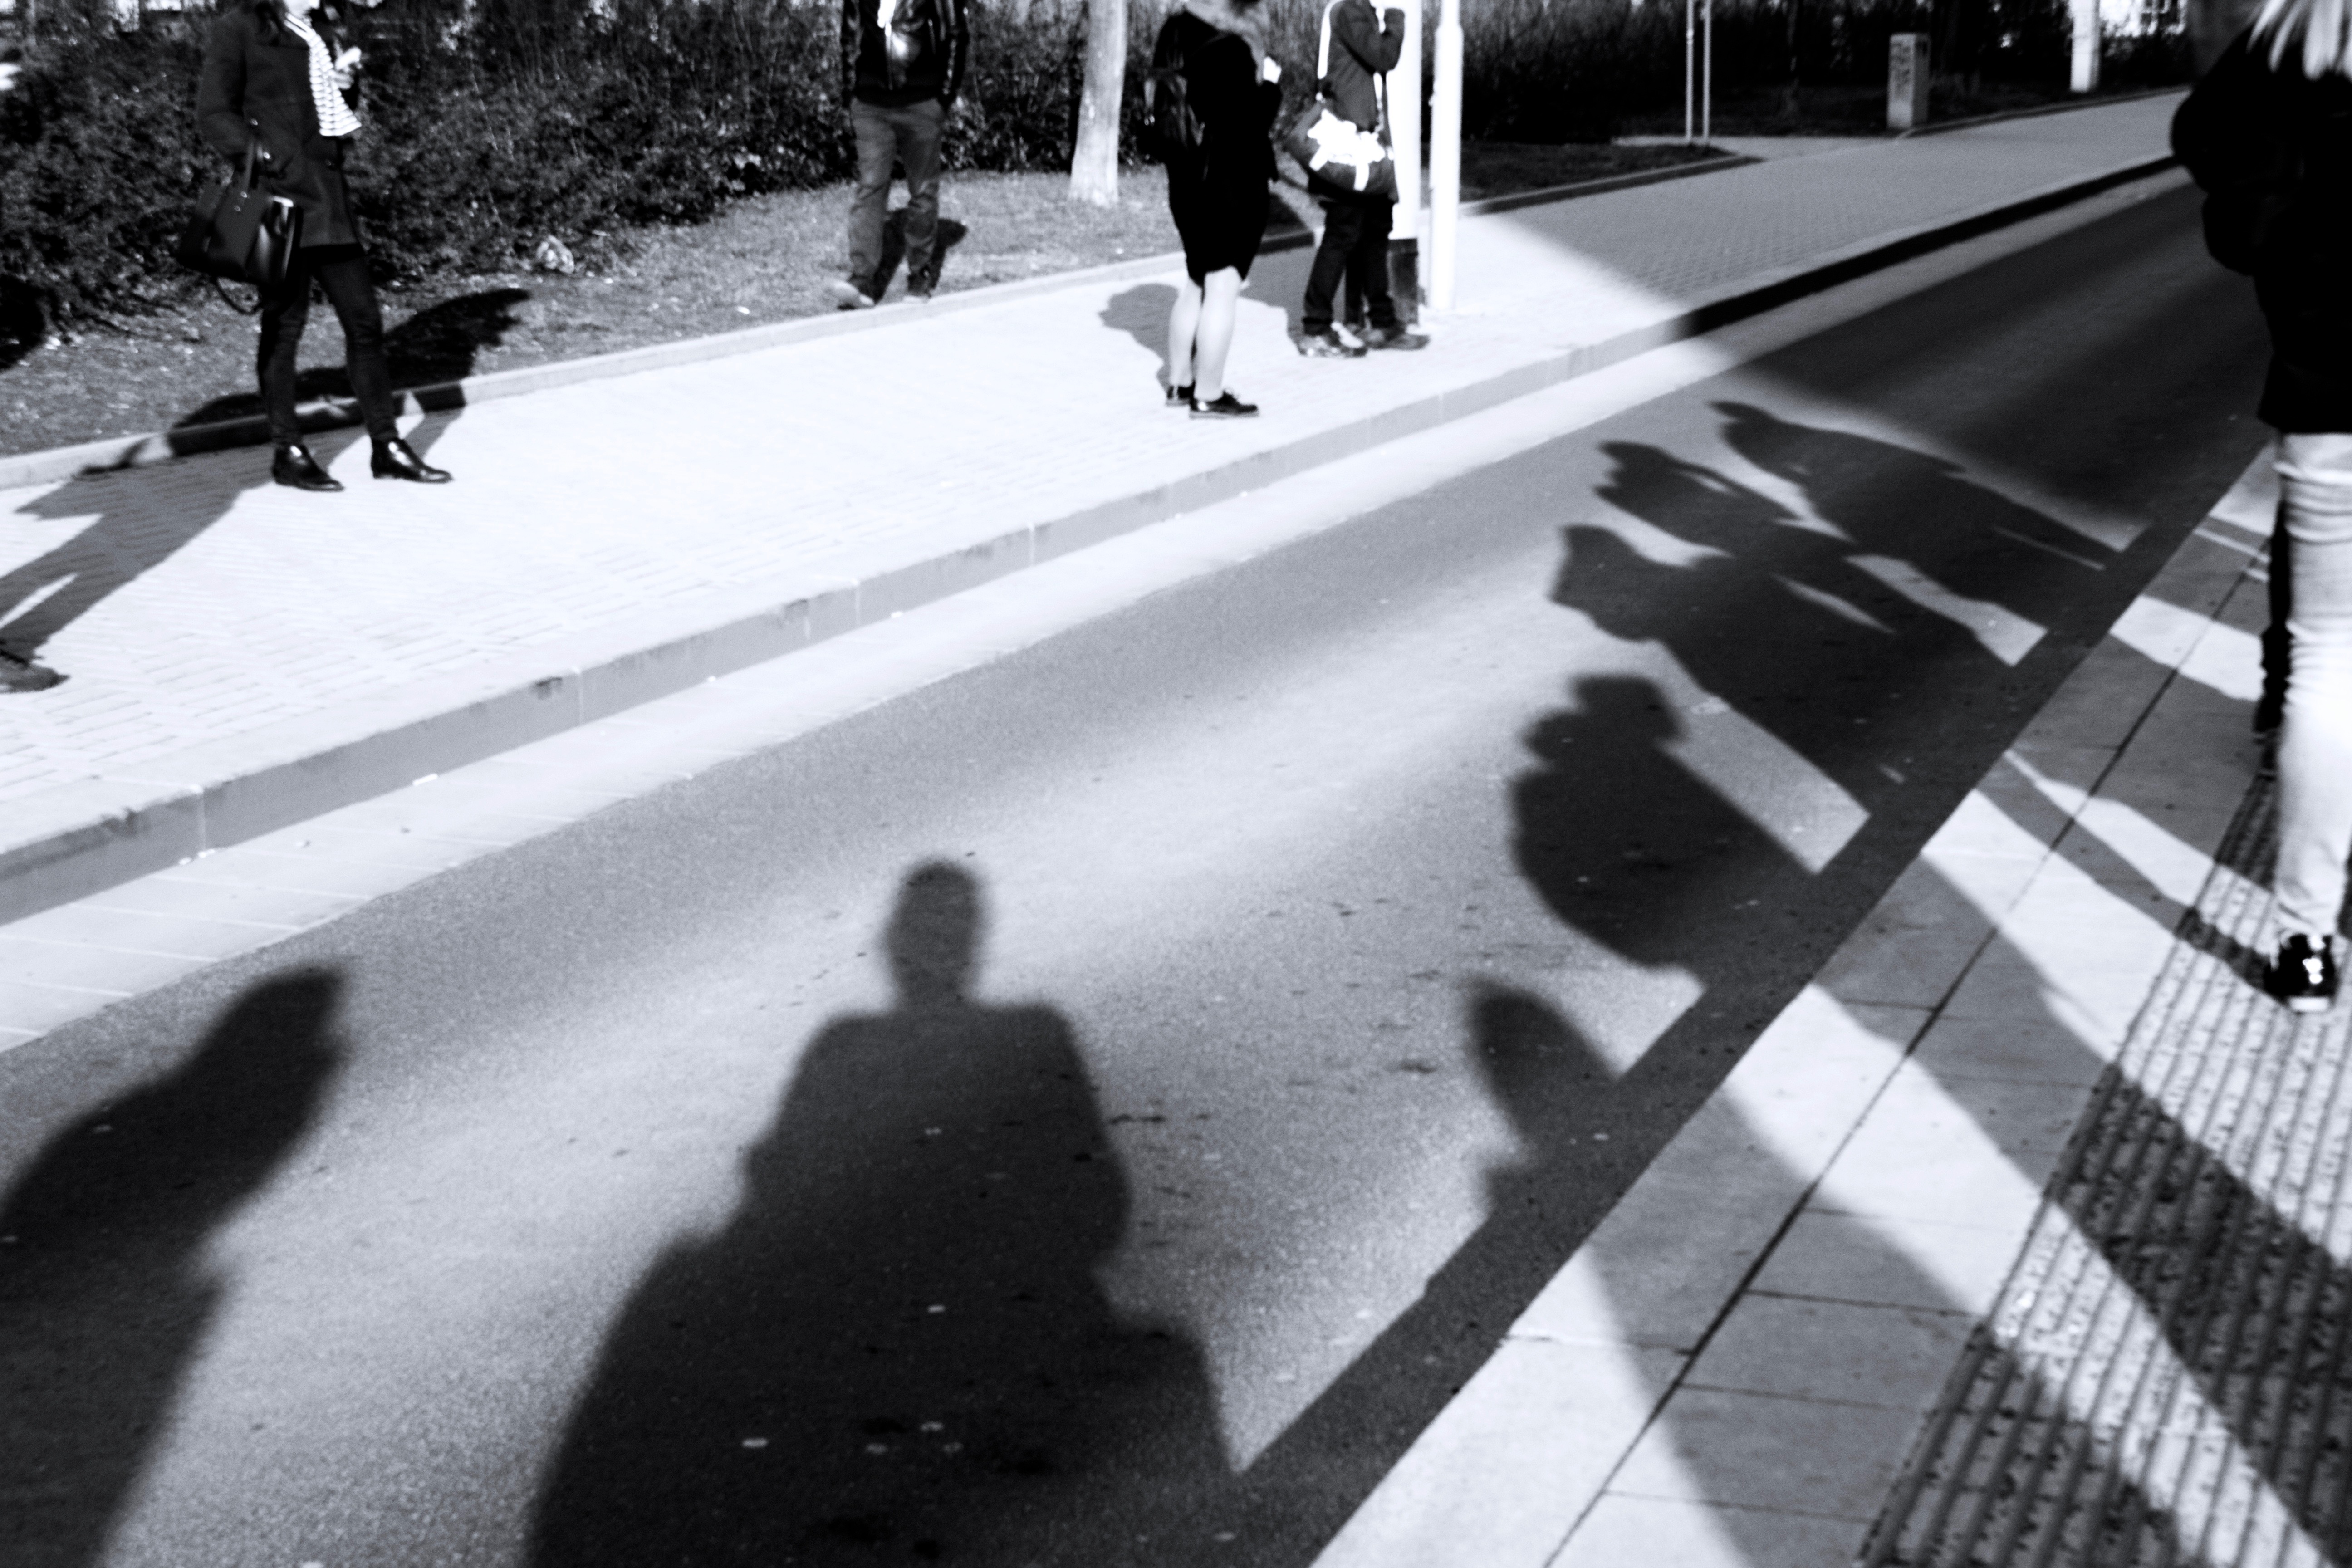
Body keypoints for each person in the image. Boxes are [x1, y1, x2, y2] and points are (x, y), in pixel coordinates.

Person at [2175, 0, 2352, 1013]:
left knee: (2327, 665)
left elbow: (2213, 155)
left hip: (2331, 393)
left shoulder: (2291, 39)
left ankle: (2307, 946)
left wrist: (2291, 241)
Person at [196, 0, 449, 492]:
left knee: (365, 323)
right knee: (284, 327)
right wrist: (266, 157)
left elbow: (334, 120)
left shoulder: (320, 32)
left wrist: (346, 87)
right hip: (276, 198)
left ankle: (387, 447)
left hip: (328, 198)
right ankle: (288, 451)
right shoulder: (241, 27)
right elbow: (213, 112)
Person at [1153, 0, 1283, 416]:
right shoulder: (1230, 47)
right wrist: (1272, 89)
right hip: (1228, 181)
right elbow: (1244, 123)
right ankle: (1208, 394)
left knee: (1196, 279)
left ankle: (1179, 383)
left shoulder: (1175, 31)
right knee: (1223, 285)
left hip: (1185, 179)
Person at [1296, 0, 1426, 358]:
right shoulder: (1349, 11)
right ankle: (1316, 328)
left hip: (1367, 147)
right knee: (1343, 234)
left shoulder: (1359, 11)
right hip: (1348, 149)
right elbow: (1384, 56)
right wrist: (1397, 18)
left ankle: (1382, 323)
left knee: (1375, 232)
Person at [832, 0, 969, 309]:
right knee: (871, 186)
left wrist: (944, 96)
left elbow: (956, 33)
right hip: (870, 105)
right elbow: (850, 36)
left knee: (922, 191)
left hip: (922, 103)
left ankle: (919, 274)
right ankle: (862, 279)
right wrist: (849, 93)